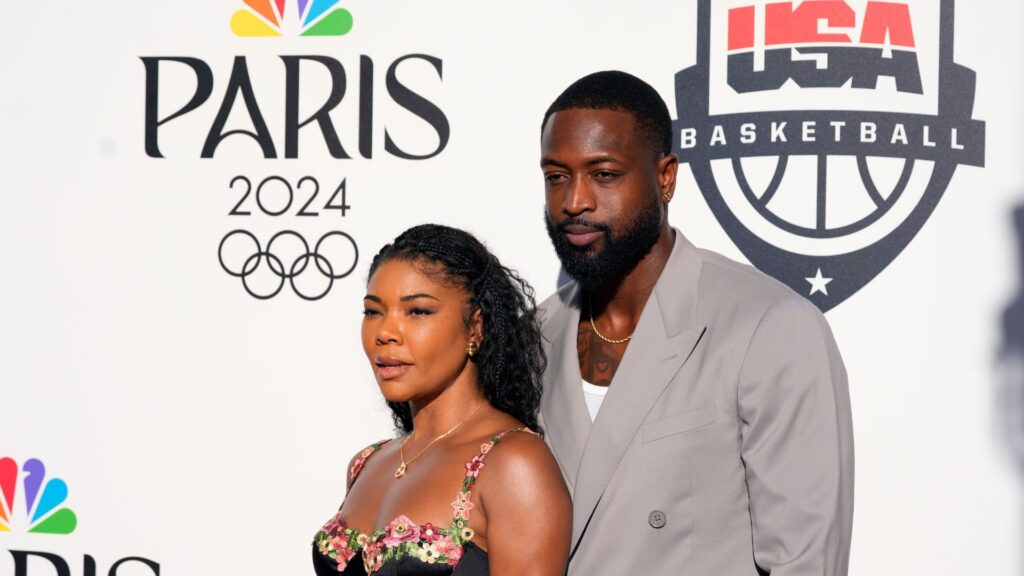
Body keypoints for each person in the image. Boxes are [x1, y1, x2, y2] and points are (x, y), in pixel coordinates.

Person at [536, 71, 854, 575]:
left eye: (604, 174)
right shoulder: (536, 335)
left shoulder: (768, 326)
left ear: (665, 177)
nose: (575, 201)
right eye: (557, 177)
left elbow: (806, 561)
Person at [312, 224, 571, 576]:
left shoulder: (514, 464)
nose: (385, 333)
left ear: (476, 326)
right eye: (373, 311)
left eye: (417, 311)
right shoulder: (367, 463)